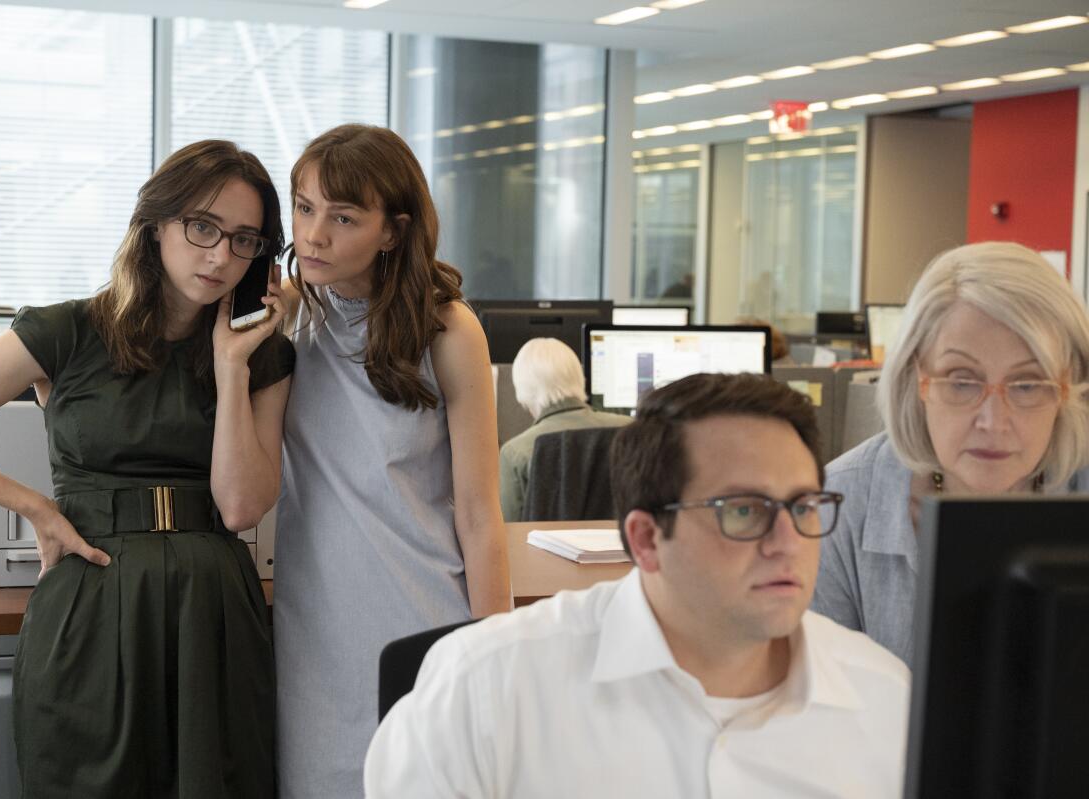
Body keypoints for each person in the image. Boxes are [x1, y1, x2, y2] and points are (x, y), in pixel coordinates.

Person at [0, 140, 294, 797]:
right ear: (156, 223)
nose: (220, 255)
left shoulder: (262, 355)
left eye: (245, 239)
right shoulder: (67, 331)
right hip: (94, 604)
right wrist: (33, 506)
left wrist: (231, 364)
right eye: (202, 227)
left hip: (213, 614)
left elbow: (243, 507)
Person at [365, 373, 910, 798]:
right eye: (744, 511)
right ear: (646, 539)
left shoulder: (885, 698)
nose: (788, 541)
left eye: (804, 506)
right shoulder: (486, 690)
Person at [275, 124, 512, 797]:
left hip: (423, 612)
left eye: (343, 216)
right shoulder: (288, 318)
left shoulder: (448, 329)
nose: (313, 234)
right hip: (316, 627)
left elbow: (479, 512)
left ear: (392, 230)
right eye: (304, 206)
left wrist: (495, 654)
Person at [812, 241, 1089, 666]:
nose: (994, 422)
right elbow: (815, 708)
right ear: (916, 377)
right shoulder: (839, 504)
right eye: (962, 381)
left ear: (1067, 389)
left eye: (1028, 383)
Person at [498, 337, 630, 521]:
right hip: (630, 548)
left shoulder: (516, 453)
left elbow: (509, 532)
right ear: (579, 377)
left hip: (541, 551)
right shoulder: (634, 431)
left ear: (523, 392)